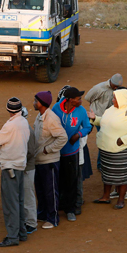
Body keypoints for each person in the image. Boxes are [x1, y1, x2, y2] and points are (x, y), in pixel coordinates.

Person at [88, 89, 127, 209]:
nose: (113, 100)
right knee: (107, 174)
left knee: (122, 176)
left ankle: (121, 200)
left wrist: (123, 140)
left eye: (115, 98)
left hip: (122, 150)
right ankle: (106, 196)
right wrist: (94, 118)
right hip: (106, 149)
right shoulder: (110, 110)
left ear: (122, 99)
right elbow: (103, 122)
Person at [0, 98, 30, 247]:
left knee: (10, 204)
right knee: (18, 202)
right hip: (19, 166)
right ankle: (21, 233)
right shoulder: (24, 122)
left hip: (10, 168)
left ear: (8, 110)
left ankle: (13, 237)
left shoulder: (10, 125)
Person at [52, 87, 92, 222]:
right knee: (58, 180)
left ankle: (70, 209)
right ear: (70, 100)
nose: (80, 100)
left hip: (72, 152)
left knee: (71, 181)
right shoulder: (56, 109)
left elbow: (87, 126)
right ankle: (59, 206)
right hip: (57, 152)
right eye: (78, 98)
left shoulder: (81, 111)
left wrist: (78, 134)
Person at [32, 91, 67, 229]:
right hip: (39, 160)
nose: (34, 103)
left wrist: (48, 149)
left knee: (50, 190)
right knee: (40, 189)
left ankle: (53, 218)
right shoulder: (39, 116)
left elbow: (62, 137)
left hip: (49, 161)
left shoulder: (51, 118)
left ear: (42, 103)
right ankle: (42, 214)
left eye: (36, 101)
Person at [20, 107, 37, 233]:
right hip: (22, 167)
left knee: (28, 196)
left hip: (27, 168)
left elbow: (30, 151)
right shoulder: (21, 129)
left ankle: (31, 223)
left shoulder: (27, 131)